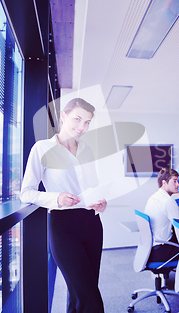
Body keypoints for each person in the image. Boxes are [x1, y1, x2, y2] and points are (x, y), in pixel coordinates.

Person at [20, 98, 107, 313]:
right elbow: (26, 193)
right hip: (63, 226)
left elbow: (92, 186)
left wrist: (100, 201)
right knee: (90, 299)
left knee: (79, 294)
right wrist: (56, 198)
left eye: (87, 122)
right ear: (63, 117)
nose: (82, 127)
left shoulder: (86, 150)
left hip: (92, 224)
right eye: (78, 119)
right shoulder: (42, 148)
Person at [144, 168, 179, 263]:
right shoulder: (168, 201)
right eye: (174, 181)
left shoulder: (154, 197)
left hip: (150, 248)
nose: (178, 184)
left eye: (178, 181)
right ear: (164, 183)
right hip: (161, 250)